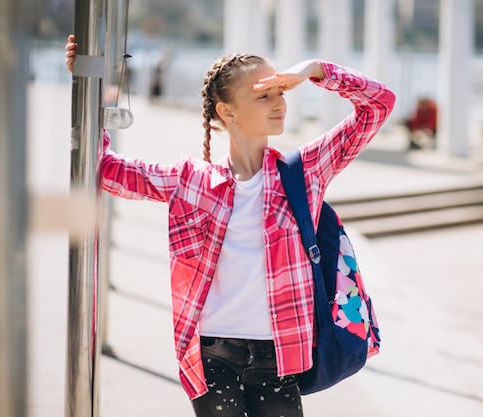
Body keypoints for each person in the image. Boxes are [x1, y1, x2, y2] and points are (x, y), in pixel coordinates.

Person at [65, 35, 395, 417]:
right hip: (212, 352)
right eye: (264, 95)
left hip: (280, 353)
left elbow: (379, 105)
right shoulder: (191, 180)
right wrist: (89, 83)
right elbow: (105, 170)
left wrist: (314, 70)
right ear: (228, 111)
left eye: (280, 92)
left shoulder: (305, 172)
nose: (279, 103)